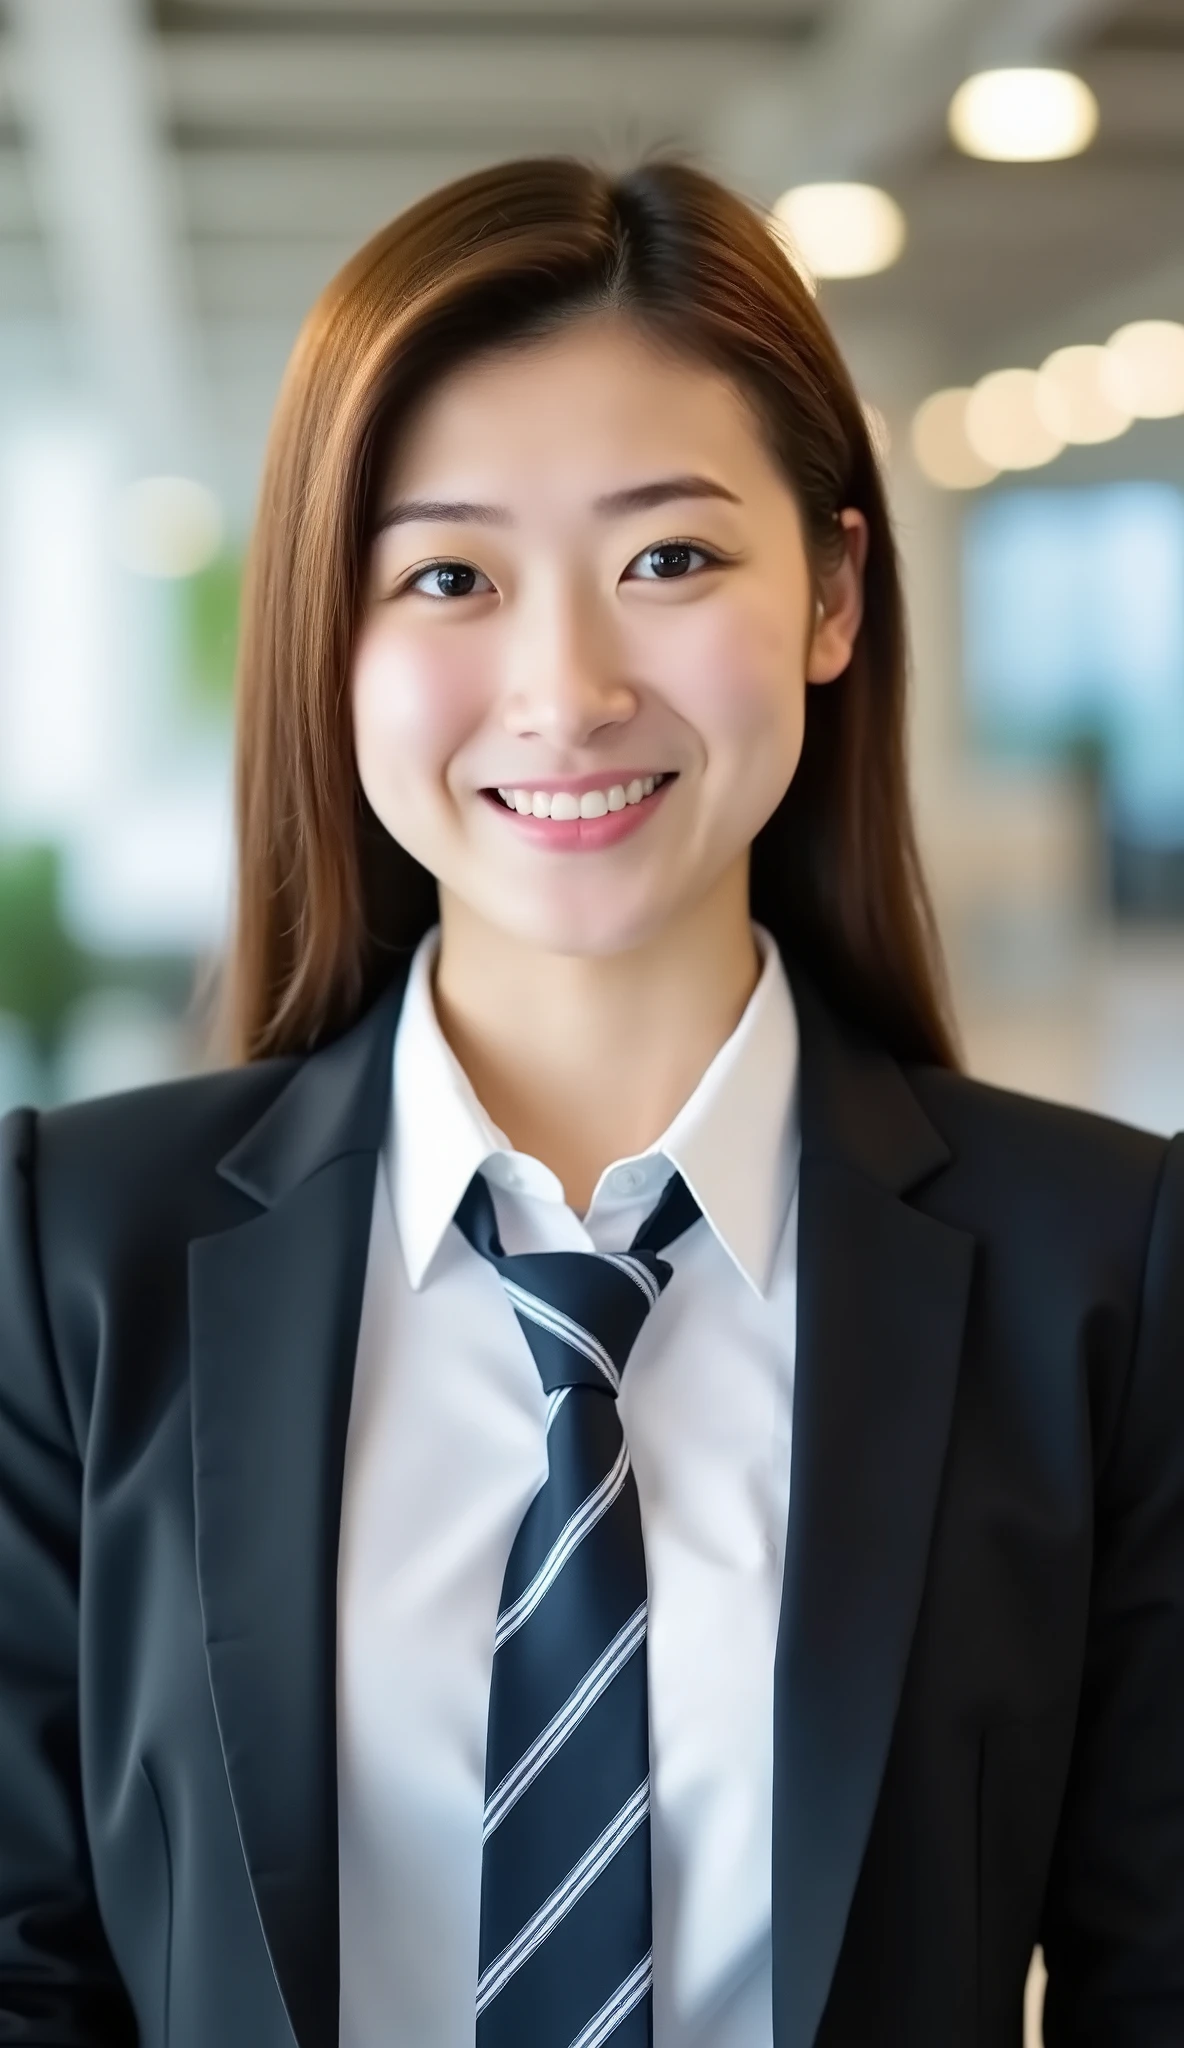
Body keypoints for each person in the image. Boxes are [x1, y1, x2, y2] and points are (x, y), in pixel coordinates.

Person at [0, 154, 1181, 2048]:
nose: (563, 688)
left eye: (672, 558)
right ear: (332, 635)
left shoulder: (1103, 1277)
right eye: (450, 575)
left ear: (835, 591)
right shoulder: (69, 1256)